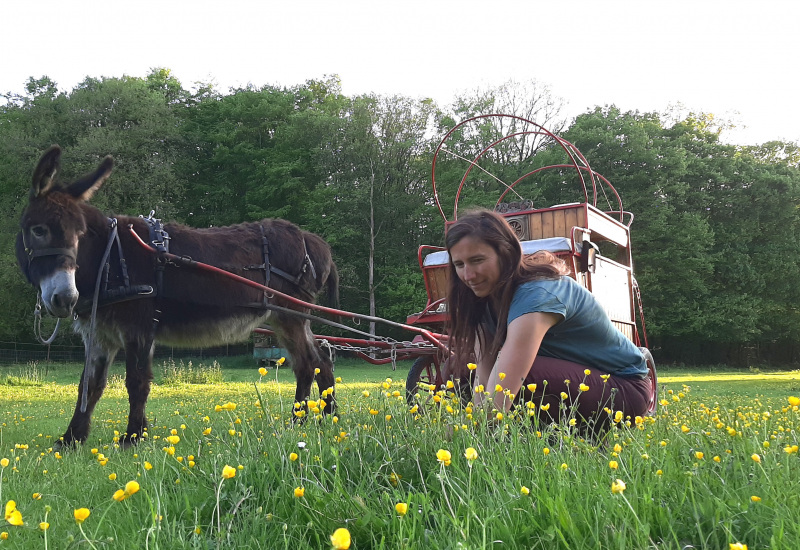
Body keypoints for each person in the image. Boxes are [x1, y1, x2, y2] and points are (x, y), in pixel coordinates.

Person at [445, 209, 654, 431]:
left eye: (477, 260)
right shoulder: (482, 300)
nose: (468, 275)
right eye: (459, 265)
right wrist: (475, 422)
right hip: (578, 382)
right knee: (458, 368)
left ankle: (581, 436)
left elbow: (502, 388)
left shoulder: (538, 293)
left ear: (506, 254)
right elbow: (484, 375)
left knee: (518, 375)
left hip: (624, 388)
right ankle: (544, 437)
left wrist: (466, 434)